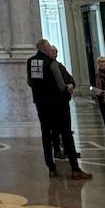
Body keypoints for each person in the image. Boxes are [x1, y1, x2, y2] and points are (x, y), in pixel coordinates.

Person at [26, 38, 91, 180]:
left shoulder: (30, 61)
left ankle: (51, 167)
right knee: (66, 133)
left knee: (46, 135)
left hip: (41, 104)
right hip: (57, 104)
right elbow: (61, 85)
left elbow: (30, 82)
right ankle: (75, 168)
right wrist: (68, 88)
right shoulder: (52, 63)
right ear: (45, 49)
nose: (51, 50)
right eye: (49, 48)